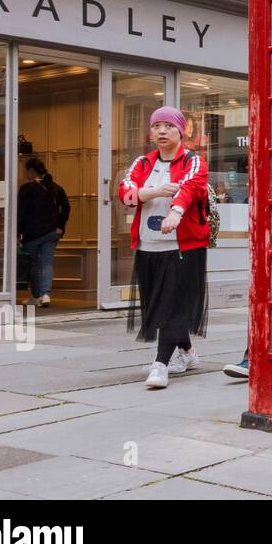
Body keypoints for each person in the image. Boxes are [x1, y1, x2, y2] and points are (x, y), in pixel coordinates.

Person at [119, 106, 211, 389]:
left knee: (172, 304)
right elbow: (125, 193)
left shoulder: (194, 161)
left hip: (182, 246)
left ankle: (160, 365)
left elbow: (189, 188)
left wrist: (175, 213)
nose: (161, 131)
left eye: (168, 126)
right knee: (162, 305)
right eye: (156, 126)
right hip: (149, 245)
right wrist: (156, 191)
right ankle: (187, 352)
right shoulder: (142, 164)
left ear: (180, 131)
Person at [17, 158, 70, 308]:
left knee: (34, 265)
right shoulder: (55, 187)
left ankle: (36, 295)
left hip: (32, 234)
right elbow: (66, 207)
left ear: (31, 171)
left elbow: (21, 213)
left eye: (25, 170)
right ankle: (46, 294)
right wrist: (60, 226)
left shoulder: (26, 189)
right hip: (52, 233)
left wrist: (18, 233)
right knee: (46, 263)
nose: (24, 173)